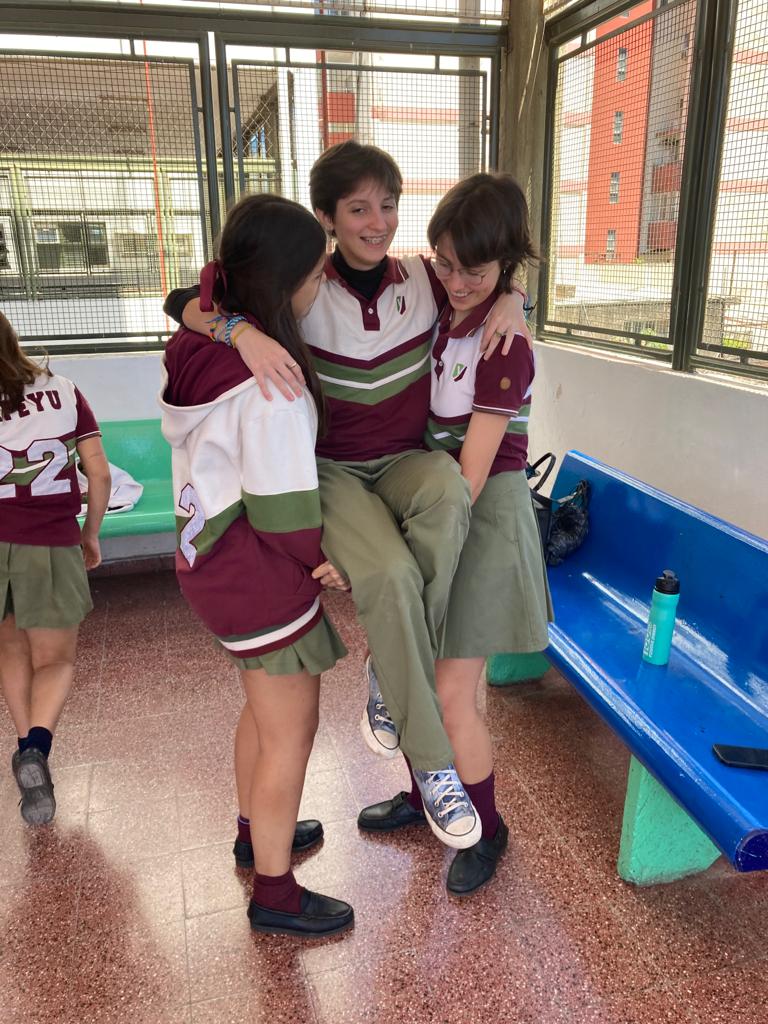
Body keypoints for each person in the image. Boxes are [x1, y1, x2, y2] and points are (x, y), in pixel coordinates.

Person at [164, 141, 531, 851]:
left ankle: (387, 675)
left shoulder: (426, 278)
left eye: (388, 205)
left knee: (450, 493)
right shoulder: (300, 287)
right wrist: (240, 333)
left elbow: (485, 277)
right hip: (334, 472)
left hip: (407, 462)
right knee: (389, 573)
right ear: (326, 217)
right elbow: (183, 302)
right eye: (358, 208)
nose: (378, 221)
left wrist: (515, 297)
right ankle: (431, 766)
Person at [159, 193, 353, 939]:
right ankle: (275, 892)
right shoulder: (272, 385)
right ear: (284, 280)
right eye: (316, 271)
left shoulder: (202, 341)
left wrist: (237, 327)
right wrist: (328, 558)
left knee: (261, 710)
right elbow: (284, 513)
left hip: (210, 559)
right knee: (291, 732)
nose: (322, 282)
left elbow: (187, 303)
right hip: (257, 571)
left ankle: (253, 833)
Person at [358, 173, 553, 896]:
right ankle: (425, 797)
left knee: (448, 692)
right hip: (437, 507)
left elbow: (472, 474)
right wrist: (506, 291)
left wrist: (415, 549)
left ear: (506, 261)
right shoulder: (446, 299)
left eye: (476, 270)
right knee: (417, 670)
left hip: (479, 513)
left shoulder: (506, 346)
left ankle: (488, 826)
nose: (456, 281)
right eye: (444, 263)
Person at [0, 311, 110, 825]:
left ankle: (26, 746)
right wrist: (91, 533)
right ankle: (36, 750)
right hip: (49, 541)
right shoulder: (62, 390)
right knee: (56, 660)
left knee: (10, 650)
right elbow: (99, 473)